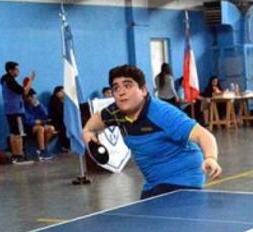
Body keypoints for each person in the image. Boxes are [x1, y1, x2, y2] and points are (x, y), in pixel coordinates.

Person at [82, 64, 222, 199]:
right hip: (154, 183)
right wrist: (88, 136)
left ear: (143, 90)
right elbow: (90, 127)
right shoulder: (115, 112)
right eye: (116, 88)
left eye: (128, 86)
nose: (121, 92)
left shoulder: (162, 113)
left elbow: (204, 135)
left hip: (184, 179)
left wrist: (210, 158)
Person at [0, 61, 35, 164]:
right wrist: (31, 80)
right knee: (19, 133)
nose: (18, 71)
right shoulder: (10, 81)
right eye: (16, 69)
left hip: (10, 110)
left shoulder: (5, 80)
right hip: (16, 111)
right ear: (10, 70)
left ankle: (15, 156)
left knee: (13, 133)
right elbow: (24, 91)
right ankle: (19, 156)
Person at [23, 89, 58, 160]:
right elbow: (28, 121)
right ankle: (42, 150)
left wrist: (39, 106)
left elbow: (46, 115)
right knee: (40, 129)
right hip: (29, 128)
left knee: (51, 128)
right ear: (25, 98)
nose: (33, 98)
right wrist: (37, 122)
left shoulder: (37, 105)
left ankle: (44, 148)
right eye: (31, 97)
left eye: (33, 96)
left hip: (40, 124)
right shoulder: (23, 107)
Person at [48, 86, 70, 152]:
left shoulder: (65, 101)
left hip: (63, 119)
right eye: (62, 92)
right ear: (57, 93)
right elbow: (59, 113)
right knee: (64, 126)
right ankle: (65, 146)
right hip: (56, 120)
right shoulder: (54, 100)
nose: (63, 93)